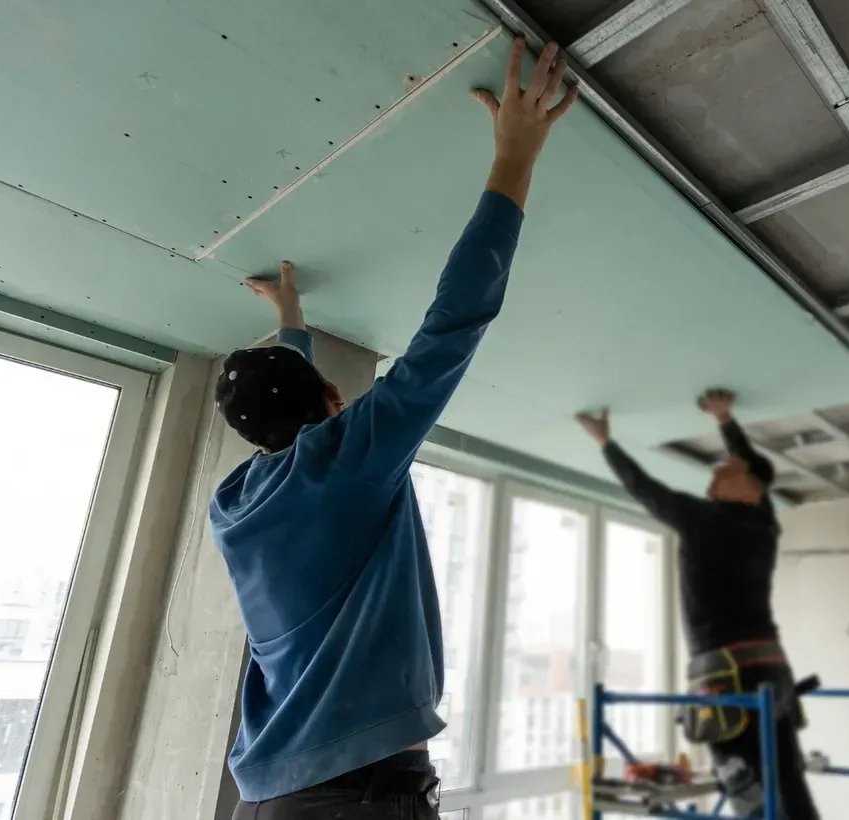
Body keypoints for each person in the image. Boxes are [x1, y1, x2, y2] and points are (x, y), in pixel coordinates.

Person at [209, 39, 577, 820]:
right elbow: (451, 325)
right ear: (335, 402)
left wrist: (293, 330)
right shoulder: (336, 463)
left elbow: (290, 422)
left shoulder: (237, 503)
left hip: (290, 793)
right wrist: (515, 157)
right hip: (350, 801)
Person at [574, 390, 821, 820]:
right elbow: (750, 466)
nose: (722, 465)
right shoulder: (761, 521)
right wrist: (724, 420)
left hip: (727, 677)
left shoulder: (703, 519)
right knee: (785, 781)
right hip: (768, 675)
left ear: (750, 492)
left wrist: (606, 443)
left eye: (730, 467)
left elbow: (645, 489)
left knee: (746, 786)